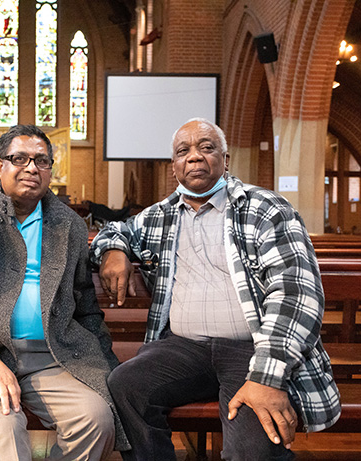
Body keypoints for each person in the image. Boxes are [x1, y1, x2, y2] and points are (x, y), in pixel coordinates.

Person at [90, 118, 340, 460]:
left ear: (226, 159)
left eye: (206, 148)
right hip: (184, 348)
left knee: (253, 450)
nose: (195, 157)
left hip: (250, 350)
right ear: (174, 167)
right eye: (184, 151)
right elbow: (113, 230)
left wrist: (267, 377)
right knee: (126, 385)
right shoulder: (157, 217)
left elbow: (296, 296)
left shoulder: (265, 209)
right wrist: (114, 251)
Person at [0, 124, 128, 460]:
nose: (32, 168)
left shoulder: (69, 225)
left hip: (54, 356)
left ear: (50, 171)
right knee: (4, 433)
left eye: (42, 161)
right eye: (20, 158)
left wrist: (101, 361)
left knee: (97, 420)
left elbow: (86, 306)